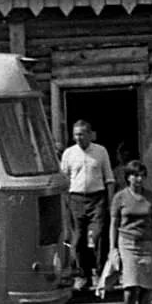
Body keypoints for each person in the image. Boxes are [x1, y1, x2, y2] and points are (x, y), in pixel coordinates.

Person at [109, 159, 152, 304]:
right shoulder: (120, 197)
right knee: (131, 286)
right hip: (128, 243)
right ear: (128, 177)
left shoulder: (151, 197)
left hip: (148, 243)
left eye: (141, 175)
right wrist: (112, 247)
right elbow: (113, 224)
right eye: (134, 175)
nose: (138, 179)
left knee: (147, 287)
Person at [59, 120, 114, 292]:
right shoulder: (69, 153)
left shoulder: (100, 151)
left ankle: (97, 272)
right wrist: (65, 201)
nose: (78, 138)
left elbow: (109, 179)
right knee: (77, 239)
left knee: (97, 236)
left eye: (82, 134)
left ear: (90, 134)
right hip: (75, 199)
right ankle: (82, 275)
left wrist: (110, 202)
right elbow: (63, 179)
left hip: (97, 198)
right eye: (76, 135)